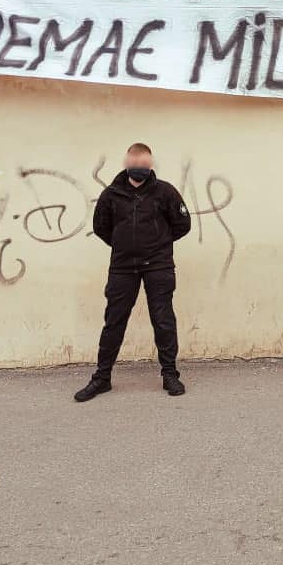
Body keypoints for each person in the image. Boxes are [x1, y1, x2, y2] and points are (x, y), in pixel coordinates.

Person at [74, 142, 191, 402]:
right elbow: (101, 227)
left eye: (144, 164)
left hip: (158, 266)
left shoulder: (165, 192)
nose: (139, 168)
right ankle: (102, 378)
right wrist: (124, 244)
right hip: (122, 267)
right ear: (126, 164)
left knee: (163, 320)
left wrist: (158, 244)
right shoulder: (111, 195)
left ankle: (170, 375)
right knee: (114, 321)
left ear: (151, 165)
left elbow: (183, 224)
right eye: (135, 164)